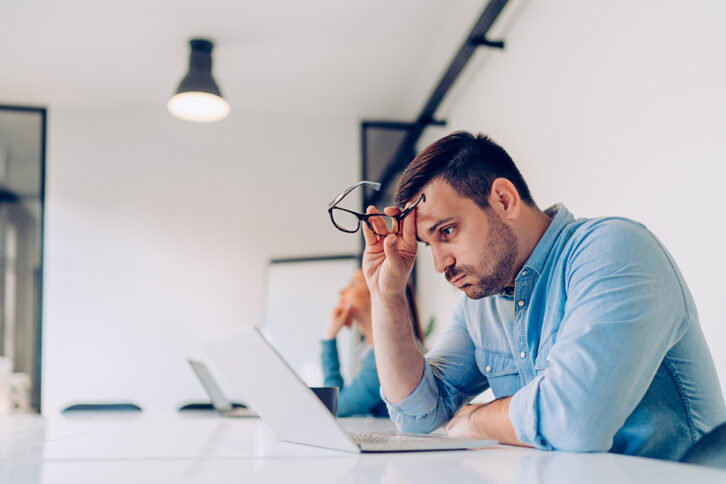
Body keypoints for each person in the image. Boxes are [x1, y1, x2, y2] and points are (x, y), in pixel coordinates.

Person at [359, 131, 726, 460]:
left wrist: (475, 419)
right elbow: (417, 415)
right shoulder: (480, 306)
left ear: (504, 200)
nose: (441, 264)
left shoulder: (613, 248)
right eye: (428, 244)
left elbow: (575, 421)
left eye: (448, 231)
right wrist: (386, 294)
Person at [320, 269, 424, 417]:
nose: (342, 291)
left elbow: (335, 406)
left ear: (376, 294)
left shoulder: (388, 354)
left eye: (354, 284)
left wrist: (329, 338)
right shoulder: (369, 351)